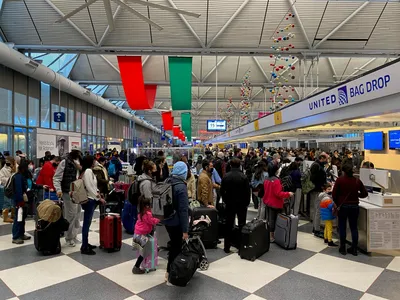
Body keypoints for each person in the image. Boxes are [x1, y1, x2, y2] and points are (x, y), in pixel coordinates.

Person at [333, 164, 368, 256]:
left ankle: (342, 248)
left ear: (343, 171)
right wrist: (357, 195)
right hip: (354, 206)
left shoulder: (340, 180)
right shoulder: (357, 181)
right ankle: (354, 249)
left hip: (343, 206)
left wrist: (338, 203)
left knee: (342, 227)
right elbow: (365, 193)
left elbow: (334, 194)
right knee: (354, 227)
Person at [163, 162, 189, 285]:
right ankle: (171, 272)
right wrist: (185, 230)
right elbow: (183, 210)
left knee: (173, 244)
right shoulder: (181, 187)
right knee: (176, 246)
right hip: (176, 221)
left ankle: (171, 270)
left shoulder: (167, 181)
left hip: (166, 219)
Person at [53, 147, 83, 247]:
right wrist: (58, 190)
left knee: (77, 214)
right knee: (70, 215)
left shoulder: (79, 161)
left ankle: (74, 235)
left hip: (78, 190)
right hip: (68, 191)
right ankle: (69, 237)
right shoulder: (64, 162)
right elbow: (56, 178)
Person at [220, 158, 251, 253]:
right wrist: (246, 203)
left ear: (230, 165)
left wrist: (225, 200)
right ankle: (241, 246)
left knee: (228, 224)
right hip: (241, 204)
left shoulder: (226, 176)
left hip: (229, 203)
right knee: (242, 224)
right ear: (239, 165)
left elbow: (222, 191)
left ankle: (227, 247)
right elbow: (247, 192)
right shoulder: (244, 177)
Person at [80, 155, 106, 255]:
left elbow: (93, 186)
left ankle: (86, 243)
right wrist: (98, 198)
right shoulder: (88, 172)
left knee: (88, 223)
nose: (96, 161)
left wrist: (98, 193)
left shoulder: (88, 171)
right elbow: (90, 187)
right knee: (86, 223)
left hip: (91, 199)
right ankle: (84, 247)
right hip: (89, 200)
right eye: (94, 160)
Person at [262, 164, 293, 242]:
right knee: (275, 220)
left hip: (268, 202)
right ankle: (272, 236)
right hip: (276, 203)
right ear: (276, 170)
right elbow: (278, 193)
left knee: (270, 219)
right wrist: (288, 194)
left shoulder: (266, 179)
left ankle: (270, 235)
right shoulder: (276, 180)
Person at [132, 197, 160, 274]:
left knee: (141, 251)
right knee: (146, 251)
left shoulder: (141, 213)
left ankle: (142, 264)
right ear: (147, 206)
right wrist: (160, 219)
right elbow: (152, 221)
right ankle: (136, 267)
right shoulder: (147, 214)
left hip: (137, 234)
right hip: (142, 236)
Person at [11, 162, 31, 244]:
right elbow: (18, 190)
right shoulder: (18, 177)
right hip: (18, 201)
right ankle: (15, 237)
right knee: (17, 218)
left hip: (21, 200)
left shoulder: (21, 176)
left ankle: (21, 234)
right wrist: (20, 202)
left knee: (22, 218)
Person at [310, 154, 328, 238]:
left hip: (317, 189)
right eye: (326, 159)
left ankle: (315, 227)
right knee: (318, 210)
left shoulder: (317, 165)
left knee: (317, 209)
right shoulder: (316, 166)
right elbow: (314, 178)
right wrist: (322, 184)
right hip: (317, 190)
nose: (327, 161)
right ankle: (316, 229)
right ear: (321, 158)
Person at [0, 157, 16, 223]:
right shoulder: (3, 170)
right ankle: (5, 217)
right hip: (6, 187)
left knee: (12, 202)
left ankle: (13, 215)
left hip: (13, 188)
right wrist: (10, 179)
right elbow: (2, 178)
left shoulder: (14, 168)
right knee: (7, 202)